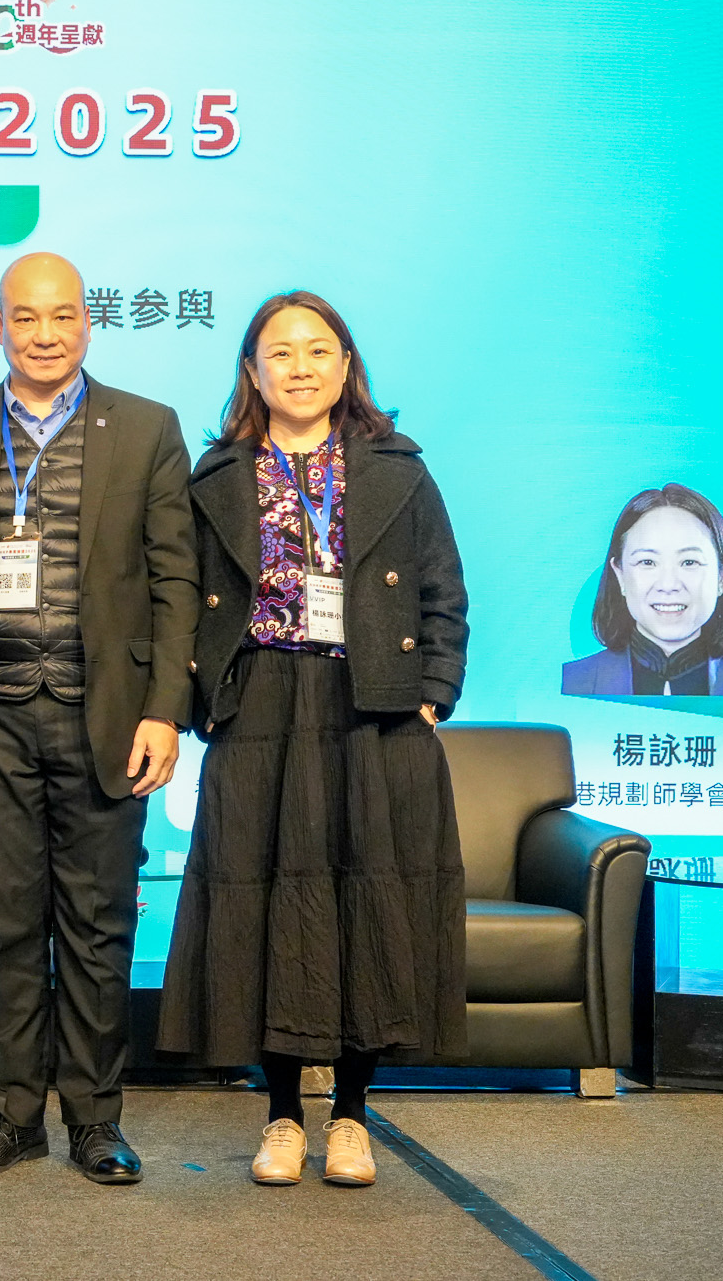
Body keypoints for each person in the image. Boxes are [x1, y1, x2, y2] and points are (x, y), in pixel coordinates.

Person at [157, 290, 469, 1189]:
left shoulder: (397, 468)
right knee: (263, 907)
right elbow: (180, 599)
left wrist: (433, 697)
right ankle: (283, 1114)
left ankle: (353, 1116)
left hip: (373, 704)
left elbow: (444, 592)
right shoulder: (217, 474)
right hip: (259, 703)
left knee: (368, 904)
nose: (301, 367)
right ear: (252, 371)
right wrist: (198, 701)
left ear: (346, 364)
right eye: (281, 352)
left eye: (318, 349)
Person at [0, 252, 198, 1184]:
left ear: (89, 322)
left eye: (63, 316)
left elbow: (175, 580)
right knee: (4, 923)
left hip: (106, 714)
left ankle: (95, 1117)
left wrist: (164, 710)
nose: (45, 334)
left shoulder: (147, 427)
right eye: (26, 317)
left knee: (98, 923)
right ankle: (9, 1115)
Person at [561, 484, 723, 696]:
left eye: (689, 562)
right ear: (620, 574)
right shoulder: (570, 684)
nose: (668, 585)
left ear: (721, 578)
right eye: (647, 562)